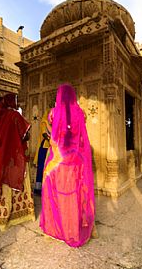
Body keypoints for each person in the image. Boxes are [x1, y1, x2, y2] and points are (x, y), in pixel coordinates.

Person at [39, 84, 95, 248]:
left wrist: (51, 134)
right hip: (76, 161)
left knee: (54, 192)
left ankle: (56, 228)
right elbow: (82, 139)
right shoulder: (81, 113)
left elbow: (53, 133)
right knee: (75, 194)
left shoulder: (53, 113)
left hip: (59, 162)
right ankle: (74, 230)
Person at [0, 93, 35, 230]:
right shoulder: (14, 115)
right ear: (12, 102)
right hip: (16, 156)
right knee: (18, 178)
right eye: (17, 100)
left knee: (4, 182)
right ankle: (22, 213)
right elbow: (26, 135)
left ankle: (3, 215)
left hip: (3, 157)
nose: (18, 103)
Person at [32, 108, 51, 195]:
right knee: (42, 167)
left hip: (51, 147)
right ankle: (39, 189)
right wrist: (53, 139)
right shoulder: (44, 122)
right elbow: (45, 134)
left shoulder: (52, 123)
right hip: (45, 147)